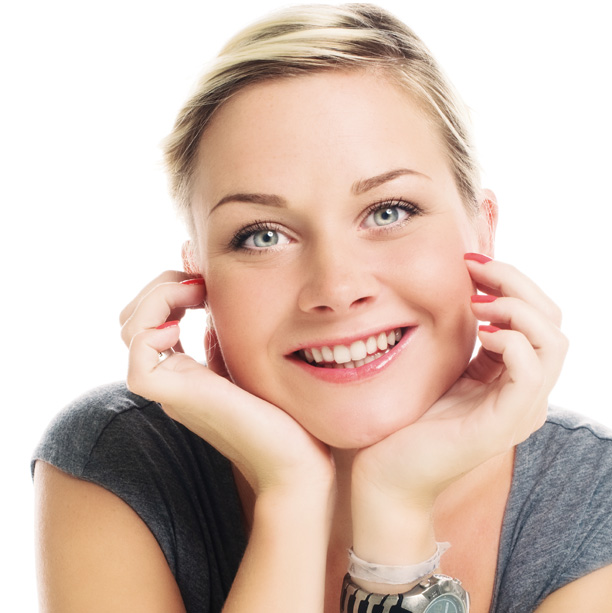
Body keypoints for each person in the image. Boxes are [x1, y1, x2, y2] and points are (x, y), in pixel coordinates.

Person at [32, 4, 612, 612]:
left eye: (389, 211)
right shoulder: (122, 458)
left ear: (482, 231)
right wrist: (291, 496)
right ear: (199, 279)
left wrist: (395, 511)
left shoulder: (592, 507)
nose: (336, 287)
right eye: (262, 235)